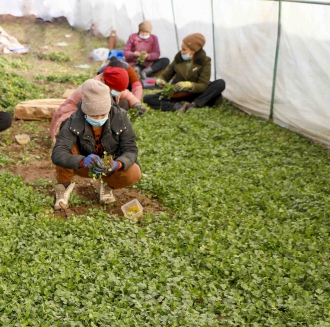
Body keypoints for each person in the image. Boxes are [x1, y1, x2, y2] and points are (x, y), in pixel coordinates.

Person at [51, 80, 141, 209]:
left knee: (134, 172)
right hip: (84, 165)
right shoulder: (73, 120)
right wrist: (82, 161)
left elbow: (130, 149)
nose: (98, 119)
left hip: (108, 166)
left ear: (109, 109)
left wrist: (117, 164)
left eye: (102, 115)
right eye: (93, 116)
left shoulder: (121, 117)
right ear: (85, 111)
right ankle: (63, 188)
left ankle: (107, 186)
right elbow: (58, 153)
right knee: (65, 149)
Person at [49, 66, 146, 143]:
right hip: (72, 115)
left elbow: (126, 94)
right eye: (117, 90)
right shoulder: (91, 90)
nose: (119, 92)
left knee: (124, 103)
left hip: (90, 117)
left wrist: (137, 104)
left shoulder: (110, 85)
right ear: (109, 85)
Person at [143, 33, 226, 113]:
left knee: (220, 83)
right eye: (181, 48)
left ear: (193, 51)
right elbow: (165, 76)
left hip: (196, 94)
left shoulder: (205, 61)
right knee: (147, 98)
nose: (181, 51)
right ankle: (177, 106)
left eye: (184, 49)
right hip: (178, 94)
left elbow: (203, 85)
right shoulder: (178, 59)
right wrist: (160, 80)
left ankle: (194, 105)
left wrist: (189, 85)